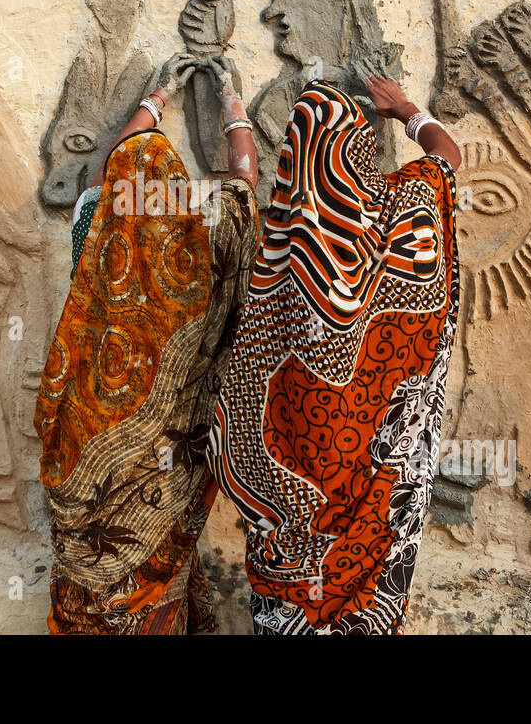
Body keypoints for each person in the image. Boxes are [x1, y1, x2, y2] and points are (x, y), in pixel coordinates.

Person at [208, 69, 461, 634]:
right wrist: (405, 110)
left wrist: (234, 116)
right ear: (361, 156)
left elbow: (242, 412)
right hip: (376, 495)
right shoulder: (405, 212)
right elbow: (447, 156)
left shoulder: (278, 255)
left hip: (295, 501)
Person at [35, 52, 260, 634]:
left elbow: (120, 157)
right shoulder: (209, 235)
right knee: (159, 563)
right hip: (171, 453)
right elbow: (244, 180)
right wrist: (231, 100)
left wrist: (157, 98)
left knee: (93, 578)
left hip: (89, 439)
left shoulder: (100, 224)